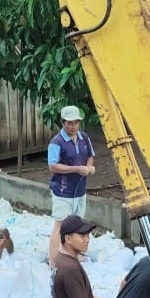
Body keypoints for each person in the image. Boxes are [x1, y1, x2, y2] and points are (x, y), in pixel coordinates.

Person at [47, 105, 96, 264]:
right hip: (63, 191)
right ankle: (53, 261)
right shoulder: (56, 142)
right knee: (60, 226)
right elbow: (53, 166)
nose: (73, 126)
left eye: (76, 123)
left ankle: (74, 255)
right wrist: (76, 169)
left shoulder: (84, 137)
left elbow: (90, 155)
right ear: (63, 123)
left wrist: (89, 167)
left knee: (77, 225)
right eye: (70, 123)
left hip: (80, 190)